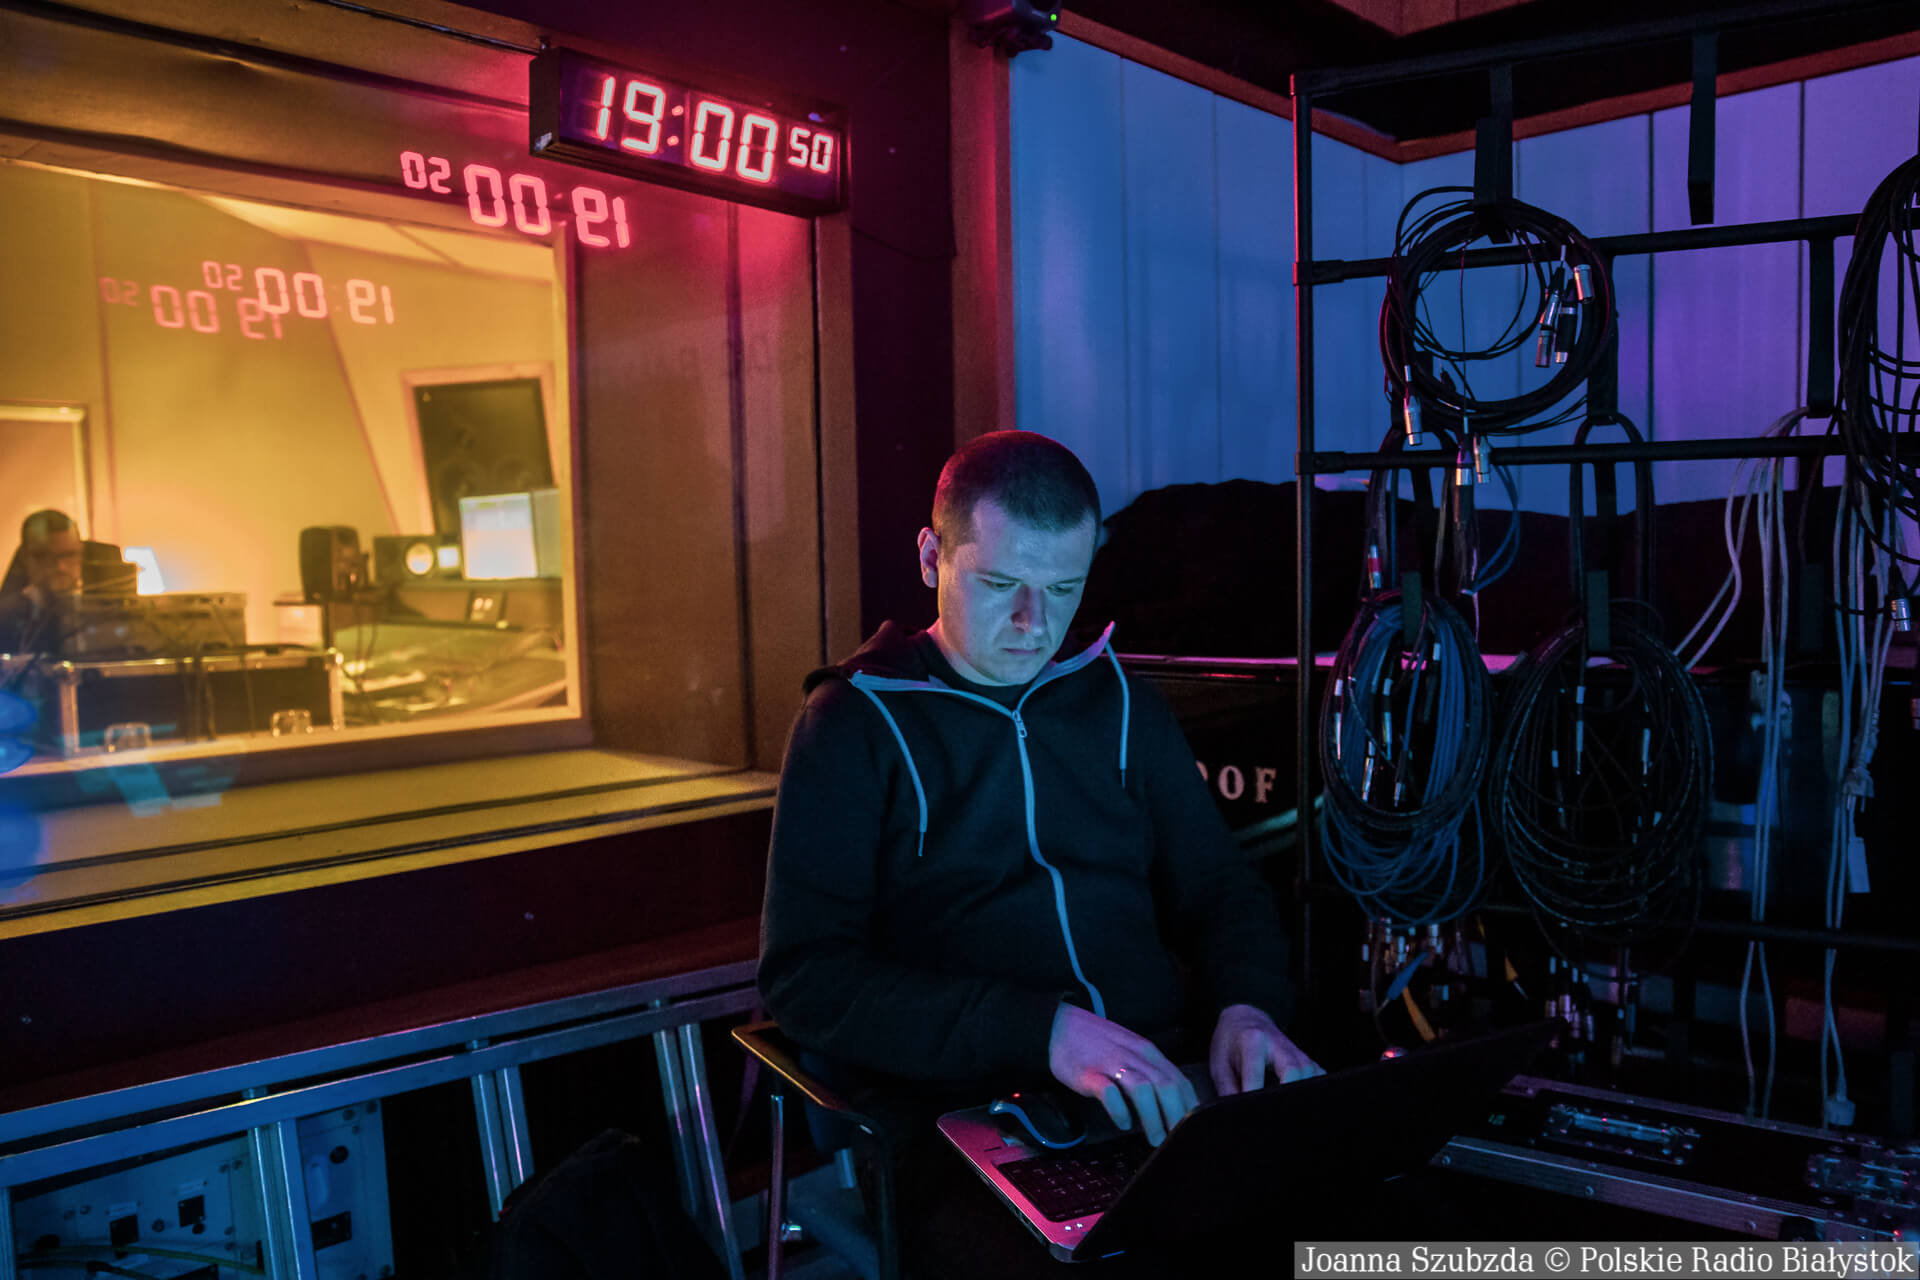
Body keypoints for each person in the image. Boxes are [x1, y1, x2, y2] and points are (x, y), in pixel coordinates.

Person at [758, 431, 1319, 1275]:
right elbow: (807, 978)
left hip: (1160, 1086)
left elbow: (1220, 888)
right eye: (999, 585)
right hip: (960, 1121)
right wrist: (1041, 1030)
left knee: (1362, 1228)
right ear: (931, 557)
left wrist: (1248, 1007)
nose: (1034, 623)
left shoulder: (1118, 700)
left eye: (1063, 588)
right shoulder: (853, 723)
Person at [0, 510, 84, 654]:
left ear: (81, 553)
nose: (60, 567)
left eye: (69, 555)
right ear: (25, 557)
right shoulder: (5, 618)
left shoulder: (110, 612)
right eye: (44, 556)